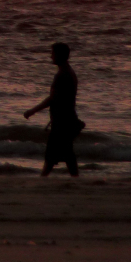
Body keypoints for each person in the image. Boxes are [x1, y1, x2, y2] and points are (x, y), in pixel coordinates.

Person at [24, 42, 84, 177]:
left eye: (53, 53)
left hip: (62, 121)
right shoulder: (69, 72)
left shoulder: (62, 75)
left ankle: (43, 179)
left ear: (59, 55)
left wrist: (32, 111)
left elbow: (52, 99)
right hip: (68, 118)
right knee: (67, 154)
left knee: (53, 155)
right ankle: (75, 179)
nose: (51, 56)